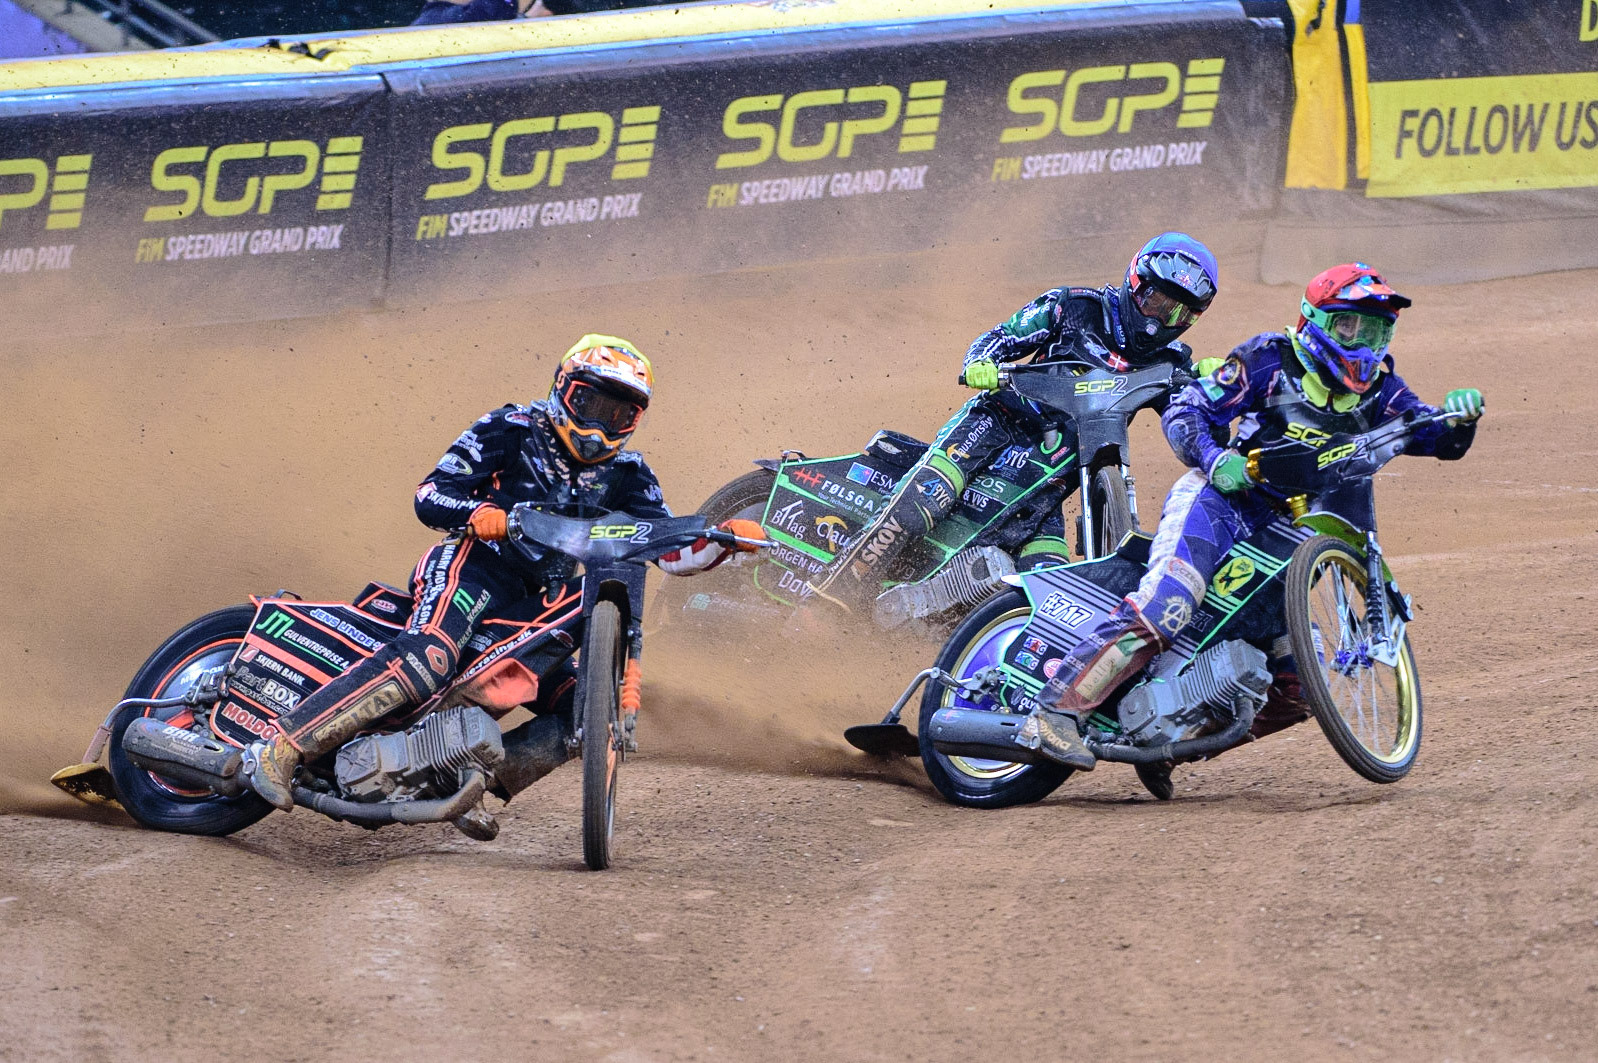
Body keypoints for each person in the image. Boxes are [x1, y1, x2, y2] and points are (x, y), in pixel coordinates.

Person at [241, 335, 759, 811]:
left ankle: (460, 787)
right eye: (591, 403)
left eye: (620, 414)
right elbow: (429, 494)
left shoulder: (629, 474)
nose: (601, 424)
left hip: (534, 604)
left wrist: (726, 542)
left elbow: (663, 549)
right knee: (430, 657)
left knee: (585, 712)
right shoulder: (511, 428)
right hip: (470, 568)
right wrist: (478, 517)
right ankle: (281, 750)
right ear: (563, 388)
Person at [1020, 262, 1484, 770]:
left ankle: (1172, 745)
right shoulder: (1268, 360)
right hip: (1219, 505)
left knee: (1297, 687)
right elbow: (1186, 410)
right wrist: (1220, 462)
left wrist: (1459, 419)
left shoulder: (1380, 390)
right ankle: (1055, 712)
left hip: (1288, 534)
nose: (1365, 342)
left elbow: (1429, 434)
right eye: (1352, 326)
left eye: (1377, 329)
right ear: (1317, 322)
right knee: (1167, 608)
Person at [806, 231, 1220, 607]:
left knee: (1049, 592)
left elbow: (1190, 428)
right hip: (995, 428)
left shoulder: (1171, 364)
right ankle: (827, 600)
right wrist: (980, 364)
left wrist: (1214, 389)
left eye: (1179, 314)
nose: (1160, 321)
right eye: (1158, 302)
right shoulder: (1073, 306)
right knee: (921, 505)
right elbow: (999, 338)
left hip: (1051, 483)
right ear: (1136, 284)